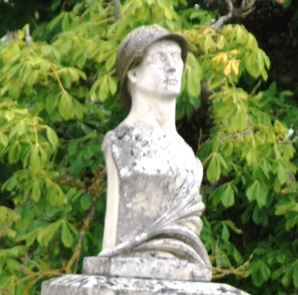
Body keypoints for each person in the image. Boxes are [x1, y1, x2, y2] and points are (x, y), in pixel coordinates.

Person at [85, 24, 211, 280]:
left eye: (176, 57)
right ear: (132, 74)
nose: (172, 66)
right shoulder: (121, 144)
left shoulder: (186, 155)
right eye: (158, 58)